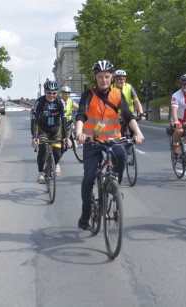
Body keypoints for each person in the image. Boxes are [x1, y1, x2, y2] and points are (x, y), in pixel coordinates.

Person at [75, 60, 145, 230]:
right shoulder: (88, 95)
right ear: (95, 78)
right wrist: (79, 133)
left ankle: (114, 186)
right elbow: (81, 116)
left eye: (107, 76)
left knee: (121, 156)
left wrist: (138, 132)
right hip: (92, 141)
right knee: (89, 178)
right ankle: (85, 214)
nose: (104, 80)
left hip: (113, 140)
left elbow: (128, 116)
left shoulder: (117, 93)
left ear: (111, 77)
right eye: (100, 77)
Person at [30, 80, 68, 183]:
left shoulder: (60, 101)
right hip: (43, 129)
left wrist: (65, 137)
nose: (52, 95)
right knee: (42, 150)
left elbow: (64, 119)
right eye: (49, 93)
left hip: (55, 129)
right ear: (45, 92)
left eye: (54, 93)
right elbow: (34, 119)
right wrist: (34, 137)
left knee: (58, 152)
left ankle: (55, 164)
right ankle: (41, 173)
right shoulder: (40, 102)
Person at [111, 69, 145, 137]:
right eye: (117, 79)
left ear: (125, 79)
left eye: (121, 79)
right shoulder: (110, 88)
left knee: (131, 136)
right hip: (116, 118)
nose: (119, 81)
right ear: (114, 79)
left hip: (129, 116)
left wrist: (141, 113)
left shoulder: (129, 87)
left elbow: (136, 101)